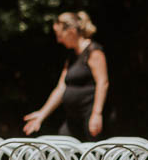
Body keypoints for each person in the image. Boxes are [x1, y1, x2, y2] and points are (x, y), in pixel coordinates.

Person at [22, 10, 109, 141]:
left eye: (59, 35)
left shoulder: (93, 52)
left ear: (71, 31)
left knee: (92, 157)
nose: (59, 40)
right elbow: (61, 88)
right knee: (63, 147)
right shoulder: (72, 57)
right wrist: (42, 114)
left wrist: (97, 113)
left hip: (90, 116)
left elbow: (103, 82)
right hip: (73, 119)